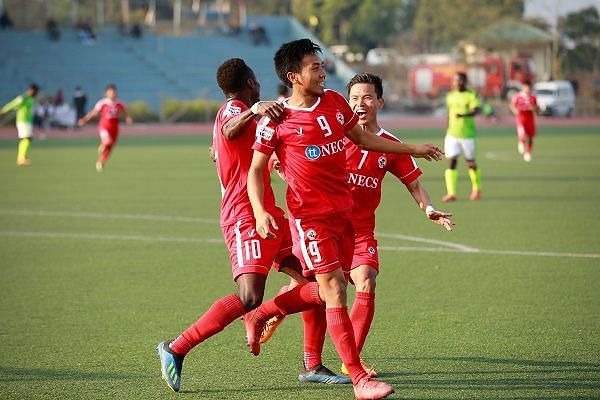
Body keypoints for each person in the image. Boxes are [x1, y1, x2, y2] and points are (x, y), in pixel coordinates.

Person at [245, 38, 443, 400]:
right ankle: (358, 378)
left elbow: (364, 140)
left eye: (322, 66)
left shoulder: (335, 102)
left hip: (345, 216)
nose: (323, 72)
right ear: (294, 76)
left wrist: (413, 149)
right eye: (315, 68)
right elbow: (256, 170)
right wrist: (259, 211)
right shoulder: (277, 119)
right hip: (310, 219)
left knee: (325, 293)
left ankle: (262, 314)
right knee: (334, 288)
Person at [155, 58, 339, 393]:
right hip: (245, 216)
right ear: (250, 81)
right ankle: (176, 348)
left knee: (316, 284)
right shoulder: (234, 108)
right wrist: (253, 110)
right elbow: (228, 129)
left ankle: (311, 364)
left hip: (270, 214)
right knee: (250, 295)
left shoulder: (250, 115)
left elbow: (236, 146)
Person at [443, 72, 481, 202]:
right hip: (452, 134)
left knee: (470, 162)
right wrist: (447, 127)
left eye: (460, 80)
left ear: (465, 81)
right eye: (455, 80)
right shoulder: (450, 96)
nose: (457, 82)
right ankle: (451, 193)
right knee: (451, 162)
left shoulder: (471, 95)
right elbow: (449, 113)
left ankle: (476, 189)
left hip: (467, 135)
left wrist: (464, 115)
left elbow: (476, 110)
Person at [77, 84, 132, 172]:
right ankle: (103, 144)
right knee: (107, 141)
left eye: (114, 92)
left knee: (109, 148)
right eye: (110, 92)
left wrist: (128, 118)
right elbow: (93, 113)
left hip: (115, 128)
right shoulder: (102, 103)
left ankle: (100, 162)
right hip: (104, 126)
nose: (112, 94)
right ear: (106, 93)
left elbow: (125, 112)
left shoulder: (119, 103)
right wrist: (84, 120)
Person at [0, 83, 39, 166]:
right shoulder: (24, 97)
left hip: (28, 121)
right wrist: (3, 110)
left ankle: (22, 157)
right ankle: (21, 158)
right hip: (22, 121)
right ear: (31, 90)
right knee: (26, 138)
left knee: (28, 139)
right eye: (35, 91)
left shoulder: (31, 99)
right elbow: (13, 104)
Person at [510, 81, 538, 162]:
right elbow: (512, 105)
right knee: (522, 134)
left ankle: (527, 152)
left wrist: (534, 109)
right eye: (526, 87)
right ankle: (521, 141)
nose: (527, 89)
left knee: (530, 137)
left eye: (528, 88)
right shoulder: (518, 96)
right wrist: (514, 110)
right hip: (521, 117)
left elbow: (536, 109)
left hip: (530, 118)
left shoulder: (533, 97)